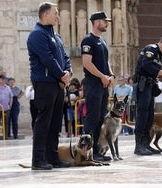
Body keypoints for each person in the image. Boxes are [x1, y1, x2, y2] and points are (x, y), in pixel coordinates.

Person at [27, 2, 72, 170]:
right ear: (45, 14)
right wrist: (62, 74)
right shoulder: (37, 34)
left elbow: (65, 57)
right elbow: (47, 59)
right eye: (55, 13)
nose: (58, 16)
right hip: (45, 82)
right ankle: (38, 160)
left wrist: (68, 72)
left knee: (55, 123)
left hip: (58, 83)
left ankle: (53, 157)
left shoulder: (56, 35)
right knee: (43, 122)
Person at [133, 33, 162, 155]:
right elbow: (146, 65)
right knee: (142, 115)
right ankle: (139, 145)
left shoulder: (158, 54)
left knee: (149, 116)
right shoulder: (151, 49)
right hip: (143, 86)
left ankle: (146, 143)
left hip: (149, 87)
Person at [81, 11, 115, 162]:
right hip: (93, 84)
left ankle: (96, 150)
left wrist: (110, 75)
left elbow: (106, 61)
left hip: (103, 84)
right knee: (92, 118)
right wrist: (102, 76)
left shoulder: (102, 41)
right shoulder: (88, 40)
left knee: (100, 118)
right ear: (96, 22)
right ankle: (87, 151)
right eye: (104, 21)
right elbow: (87, 63)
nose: (107, 23)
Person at [0, 75, 13, 139]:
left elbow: (11, 97)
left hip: (6, 108)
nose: (3, 81)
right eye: (1, 79)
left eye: (4, 79)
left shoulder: (8, 88)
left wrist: (10, 105)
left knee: (6, 122)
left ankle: (5, 136)